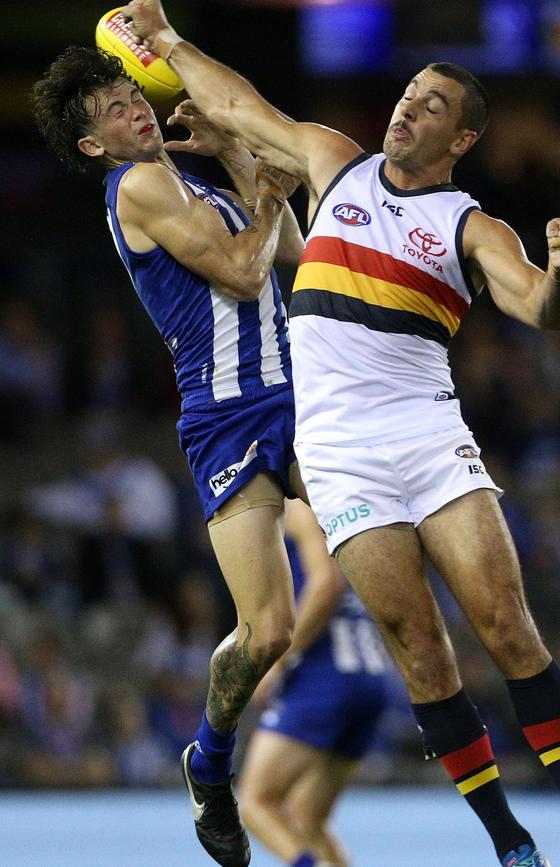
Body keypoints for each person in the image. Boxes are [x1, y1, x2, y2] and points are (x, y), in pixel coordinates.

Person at [124, 7, 560, 866]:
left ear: (461, 138)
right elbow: (246, 111)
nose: (408, 108)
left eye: (432, 105)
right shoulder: (336, 164)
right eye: (407, 93)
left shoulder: (474, 226)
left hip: (426, 432)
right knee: (418, 649)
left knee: (506, 625)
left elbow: (541, 309)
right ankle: (511, 842)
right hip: (338, 449)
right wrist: (169, 41)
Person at [32, 45, 308, 867]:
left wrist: (233, 157)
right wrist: (261, 192)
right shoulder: (140, 185)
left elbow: (287, 246)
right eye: (113, 109)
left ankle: (433, 701)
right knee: (267, 633)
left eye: (132, 94)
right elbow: (244, 270)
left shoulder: (188, 183)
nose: (136, 109)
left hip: (297, 397)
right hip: (225, 412)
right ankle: (210, 764)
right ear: (93, 146)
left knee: (375, 535)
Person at [238, 498, 391, 867]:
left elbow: (324, 584)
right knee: (308, 818)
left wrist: (278, 660)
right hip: (369, 677)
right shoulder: (346, 503)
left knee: (256, 803)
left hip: (324, 677)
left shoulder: (298, 506)